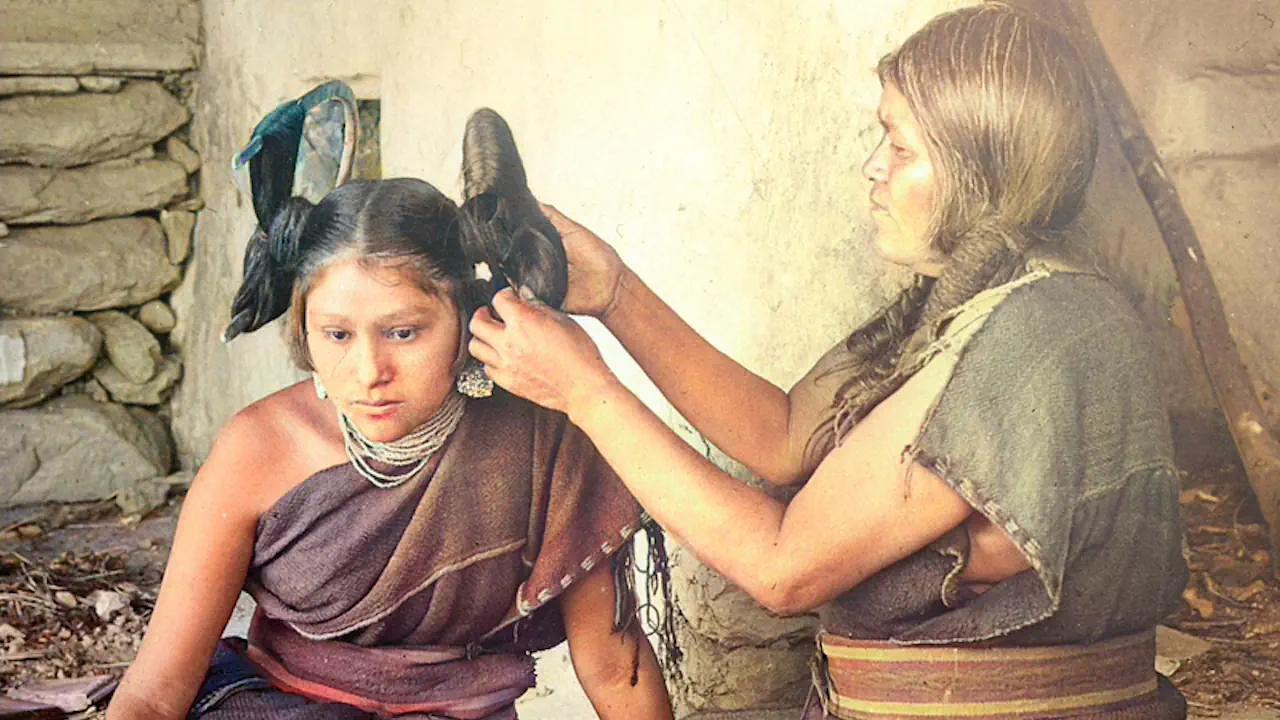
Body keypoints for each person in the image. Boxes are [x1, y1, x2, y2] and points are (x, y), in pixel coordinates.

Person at [468, 4, 1189, 718]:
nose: (872, 167)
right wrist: (616, 291)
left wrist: (584, 391)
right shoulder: (977, 298)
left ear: (983, 169)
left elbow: (784, 567)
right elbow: (784, 436)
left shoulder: (1038, 334)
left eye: (900, 148)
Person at [105, 177, 674, 720]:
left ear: (465, 315)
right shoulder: (259, 447)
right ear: (303, 328)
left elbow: (613, 664)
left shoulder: (541, 435)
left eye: (403, 332)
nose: (369, 371)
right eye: (337, 335)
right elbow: (156, 693)